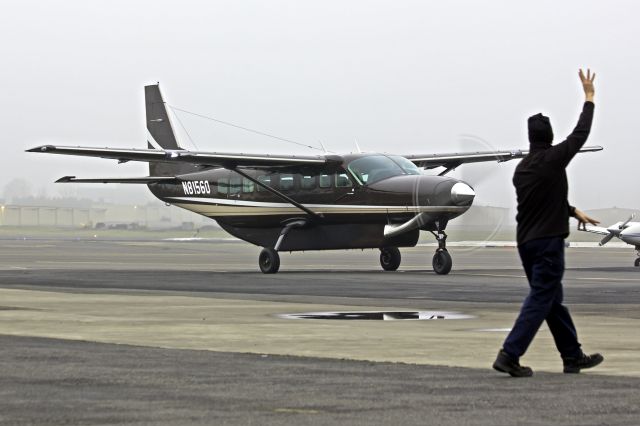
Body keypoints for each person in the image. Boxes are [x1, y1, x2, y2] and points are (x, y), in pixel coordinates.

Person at [493, 69, 604, 377]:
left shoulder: (522, 170)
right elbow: (580, 134)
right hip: (548, 242)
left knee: (551, 299)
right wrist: (589, 97)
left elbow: (541, 200)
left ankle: (572, 356)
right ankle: (509, 354)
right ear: (550, 136)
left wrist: (571, 210)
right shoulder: (555, 159)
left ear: (530, 138)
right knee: (543, 297)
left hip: (526, 243)